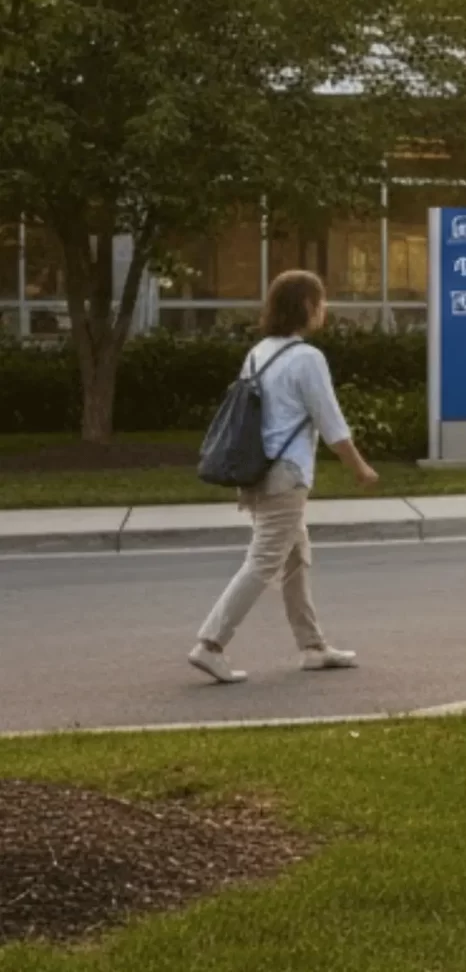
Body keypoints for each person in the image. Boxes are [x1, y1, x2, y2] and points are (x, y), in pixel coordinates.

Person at [187, 271, 377, 684]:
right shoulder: (307, 358)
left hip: (256, 474)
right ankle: (210, 644)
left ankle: (313, 648)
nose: (324, 310)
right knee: (262, 563)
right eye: (321, 301)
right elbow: (333, 425)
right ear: (307, 306)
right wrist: (360, 468)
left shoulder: (259, 352)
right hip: (285, 478)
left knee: (295, 559)